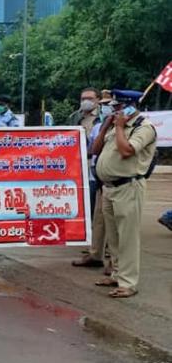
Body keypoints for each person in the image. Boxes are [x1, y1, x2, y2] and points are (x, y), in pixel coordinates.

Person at [92, 89, 157, 299]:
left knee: (127, 238)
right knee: (113, 237)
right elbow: (95, 149)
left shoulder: (143, 128)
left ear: (130, 107)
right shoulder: (114, 126)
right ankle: (117, 274)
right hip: (109, 188)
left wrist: (119, 127)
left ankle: (128, 283)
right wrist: (106, 127)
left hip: (128, 187)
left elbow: (127, 151)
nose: (114, 110)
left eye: (118, 107)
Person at [73, 92, 114, 273]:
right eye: (83, 98)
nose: (86, 102)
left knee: (114, 220)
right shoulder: (88, 123)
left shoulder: (134, 128)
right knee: (97, 217)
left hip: (116, 180)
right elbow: (93, 148)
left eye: (112, 105)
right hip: (95, 176)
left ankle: (114, 260)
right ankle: (96, 253)